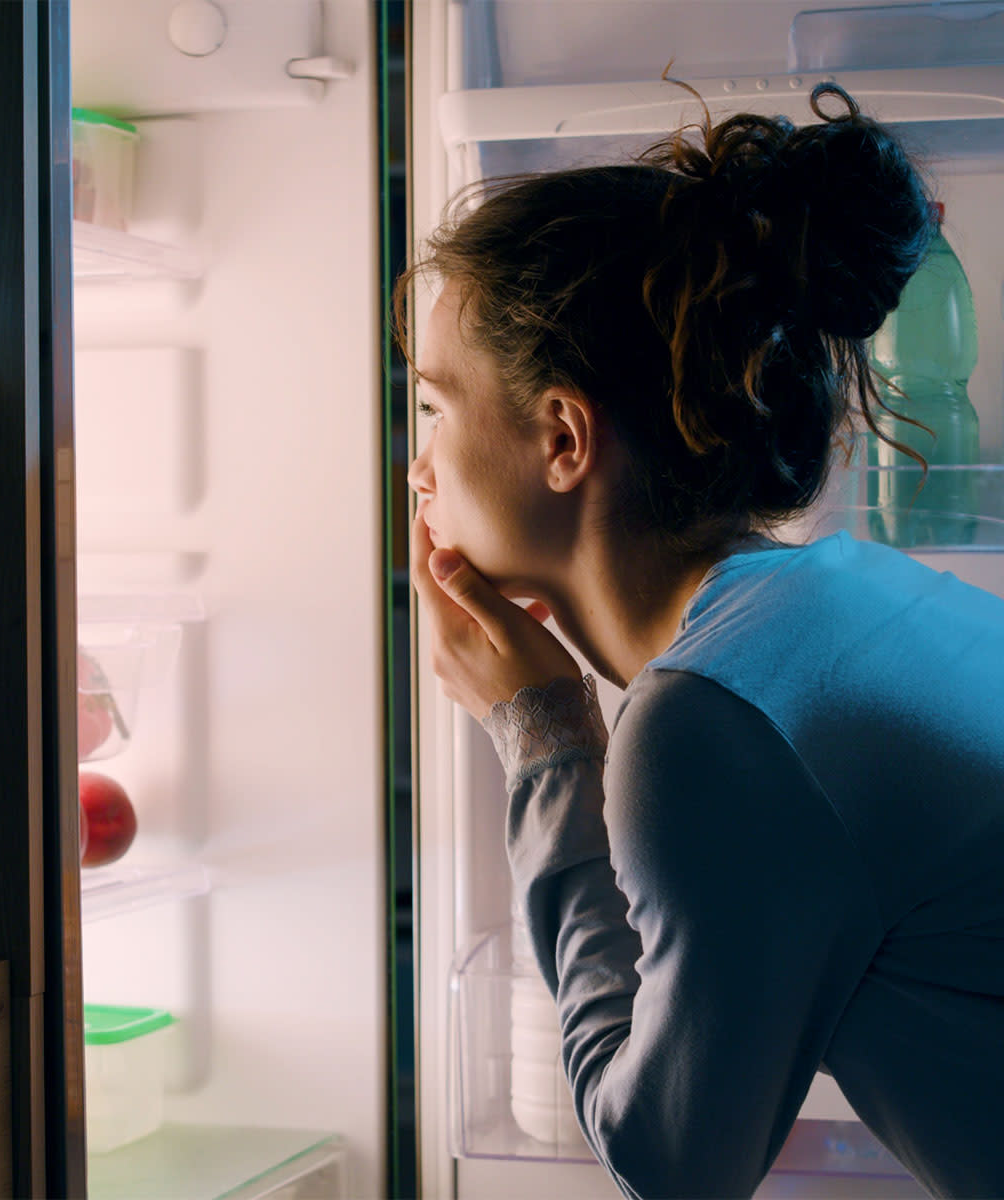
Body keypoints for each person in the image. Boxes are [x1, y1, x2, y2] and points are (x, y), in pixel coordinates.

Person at [401, 81, 1004, 1199]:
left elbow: (672, 1171)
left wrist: (543, 744)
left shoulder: (704, 727)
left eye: (435, 407)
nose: (417, 469)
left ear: (563, 435)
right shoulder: (845, 588)